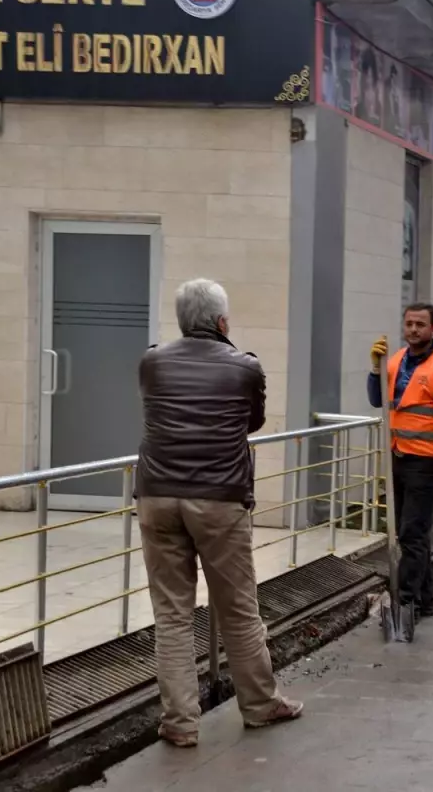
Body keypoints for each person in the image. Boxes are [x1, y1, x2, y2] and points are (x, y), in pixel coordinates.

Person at [137, 279, 302, 748]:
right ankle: (260, 704)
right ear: (222, 321)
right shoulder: (244, 367)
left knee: (172, 615)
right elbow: (252, 422)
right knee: (237, 609)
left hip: (157, 495)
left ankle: (180, 723)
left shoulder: (151, 361)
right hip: (218, 499)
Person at [368, 303, 433, 636]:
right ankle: (425, 600)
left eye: (420, 324)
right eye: (409, 324)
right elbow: (377, 400)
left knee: (411, 533)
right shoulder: (394, 361)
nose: (413, 330)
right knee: (412, 533)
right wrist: (376, 370)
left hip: (426, 461)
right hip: (399, 456)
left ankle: (405, 603)